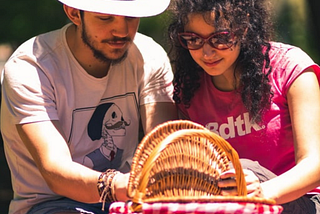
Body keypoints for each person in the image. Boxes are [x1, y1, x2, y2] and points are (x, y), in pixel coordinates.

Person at [1, 0, 178, 213]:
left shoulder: (149, 56)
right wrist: (120, 185)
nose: (122, 30)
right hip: (51, 203)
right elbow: (56, 172)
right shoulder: (32, 67)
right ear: (74, 13)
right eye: (105, 18)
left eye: (131, 17)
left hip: (128, 201)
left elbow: (163, 147)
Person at [167, 0, 320, 213]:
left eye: (220, 39)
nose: (207, 53)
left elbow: (315, 163)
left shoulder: (290, 68)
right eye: (193, 40)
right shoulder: (188, 90)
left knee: (244, 169)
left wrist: (263, 193)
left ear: (243, 27)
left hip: (301, 202)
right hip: (227, 205)